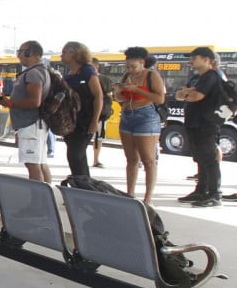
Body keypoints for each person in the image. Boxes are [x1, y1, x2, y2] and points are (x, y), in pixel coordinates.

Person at [113, 47, 165, 204]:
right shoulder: (127, 75)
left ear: (142, 63)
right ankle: (130, 194)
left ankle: (148, 197)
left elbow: (159, 98)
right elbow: (119, 98)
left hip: (146, 117)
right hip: (127, 116)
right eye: (127, 66)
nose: (130, 70)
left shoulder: (151, 75)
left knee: (148, 160)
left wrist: (136, 89)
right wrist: (118, 91)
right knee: (131, 159)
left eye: (133, 66)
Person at [175, 47, 224, 207]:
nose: (191, 61)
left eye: (194, 58)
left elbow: (197, 96)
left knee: (209, 159)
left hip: (206, 124)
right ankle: (201, 191)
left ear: (206, 59)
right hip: (194, 123)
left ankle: (215, 194)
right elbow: (179, 94)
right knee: (200, 159)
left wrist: (188, 93)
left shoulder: (211, 76)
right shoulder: (198, 77)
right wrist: (188, 93)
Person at [1, 41, 51, 182]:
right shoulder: (40, 71)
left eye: (21, 51)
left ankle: (38, 200)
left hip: (30, 125)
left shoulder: (34, 73)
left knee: (32, 164)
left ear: (32, 53)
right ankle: (47, 198)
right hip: (35, 124)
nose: (19, 55)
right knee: (40, 163)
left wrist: (9, 103)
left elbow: (34, 102)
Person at [60, 42, 103, 178]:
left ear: (74, 53)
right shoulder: (70, 72)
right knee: (75, 155)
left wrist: (94, 121)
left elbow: (98, 96)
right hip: (71, 120)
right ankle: (81, 184)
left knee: (75, 154)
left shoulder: (87, 70)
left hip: (84, 120)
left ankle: (83, 186)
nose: (62, 55)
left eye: (65, 52)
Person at [91, 57, 114, 168]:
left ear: (96, 66)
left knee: (98, 136)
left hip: (99, 113)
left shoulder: (104, 80)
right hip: (97, 112)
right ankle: (95, 159)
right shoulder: (104, 79)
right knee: (97, 136)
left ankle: (95, 159)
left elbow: (109, 96)